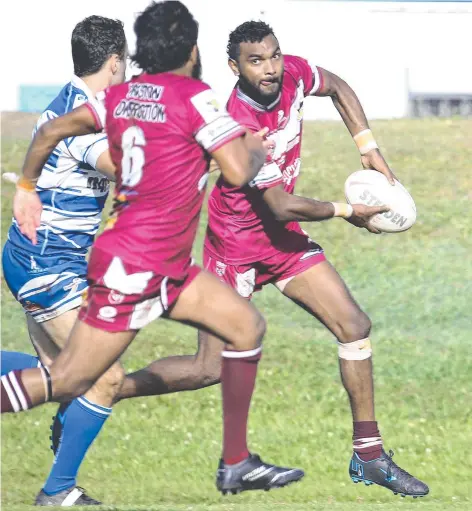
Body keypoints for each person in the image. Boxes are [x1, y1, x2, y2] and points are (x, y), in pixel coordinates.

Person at [1, 1, 305, 501]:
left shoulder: (117, 98)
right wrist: (251, 144)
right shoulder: (187, 97)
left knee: (244, 324)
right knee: (89, 380)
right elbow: (216, 170)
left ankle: (236, 462)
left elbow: (62, 134)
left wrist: (27, 185)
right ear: (191, 49)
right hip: (101, 264)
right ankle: (58, 491)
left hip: (140, 263)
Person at [112, 21, 430, 498]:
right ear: (234, 67)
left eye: (274, 56)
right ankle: (105, 389)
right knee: (209, 369)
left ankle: (369, 456)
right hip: (235, 247)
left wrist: (370, 151)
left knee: (354, 326)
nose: (270, 68)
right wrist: (348, 212)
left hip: (280, 240)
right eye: (256, 61)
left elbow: (338, 87)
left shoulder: (296, 76)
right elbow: (280, 202)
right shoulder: (238, 122)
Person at [1, 15, 128, 506]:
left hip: (45, 260)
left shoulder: (88, 105)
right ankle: (57, 492)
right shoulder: (79, 119)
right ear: (115, 63)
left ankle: (60, 483)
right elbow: (124, 169)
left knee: (56, 372)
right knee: (104, 376)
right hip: (45, 265)